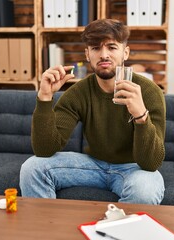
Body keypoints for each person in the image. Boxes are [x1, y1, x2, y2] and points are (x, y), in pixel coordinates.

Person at [19, 19, 166, 205]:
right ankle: (47, 229)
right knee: (32, 168)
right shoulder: (78, 92)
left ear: (125, 53)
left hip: (134, 168)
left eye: (112, 47)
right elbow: (44, 149)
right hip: (93, 165)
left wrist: (140, 115)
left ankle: (117, 233)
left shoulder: (149, 92)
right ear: (87, 54)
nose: (104, 55)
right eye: (96, 48)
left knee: (145, 190)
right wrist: (45, 97)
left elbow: (151, 163)